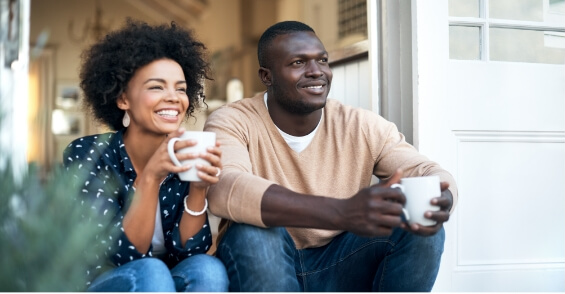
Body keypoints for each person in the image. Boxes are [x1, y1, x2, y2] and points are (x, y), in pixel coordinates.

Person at [203, 20, 458, 292]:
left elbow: (425, 170)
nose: (316, 72)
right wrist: (342, 212)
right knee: (252, 233)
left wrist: (442, 197)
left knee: (419, 228)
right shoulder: (232, 120)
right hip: (264, 261)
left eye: (322, 60)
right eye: (298, 63)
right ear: (267, 76)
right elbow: (224, 187)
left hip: (340, 262)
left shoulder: (360, 124)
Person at [62, 19, 228, 292]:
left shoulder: (184, 153)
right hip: (106, 280)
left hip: (163, 278)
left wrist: (198, 189)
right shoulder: (88, 155)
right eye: (156, 86)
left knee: (208, 269)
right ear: (122, 99)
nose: (174, 97)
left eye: (181, 88)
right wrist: (151, 176)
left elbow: (189, 253)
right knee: (151, 271)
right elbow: (121, 256)